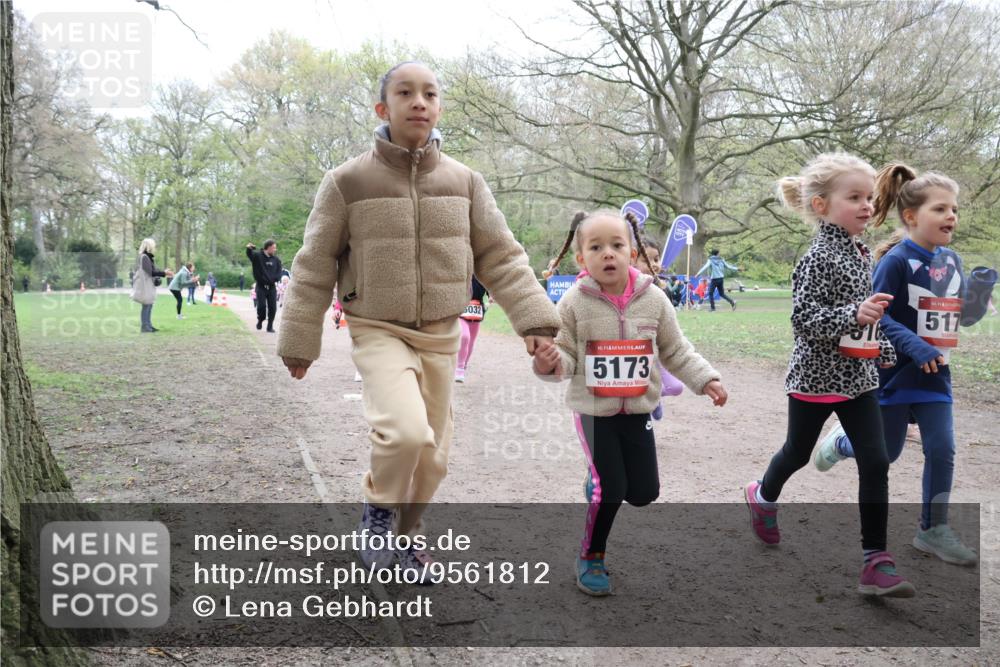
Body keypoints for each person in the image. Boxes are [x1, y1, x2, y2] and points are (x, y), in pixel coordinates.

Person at [276, 61, 560, 582]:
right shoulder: (346, 182)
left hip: (441, 334)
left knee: (434, 460)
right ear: (383, 109)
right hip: (378, 328)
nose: (419, 102)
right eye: (405, 93)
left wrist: (535, 319)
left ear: (439, 107)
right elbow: (314, 263)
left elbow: (501, 255)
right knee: (405, 434)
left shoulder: (465, 182)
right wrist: (299, 340)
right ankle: (377, 518)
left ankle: (406, 538)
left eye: (430, 93)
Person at [743, 153, 914, 598]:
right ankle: (762, 496)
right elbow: (804, 319)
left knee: (876, 461)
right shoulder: (818, 256)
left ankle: (875, 560)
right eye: (853, 197)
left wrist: (885, 346)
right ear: (821, 206)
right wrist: (853, 313)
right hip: (815, 380)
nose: (865, 205)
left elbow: (868, 318)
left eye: (869, 197)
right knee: (797, 452)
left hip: (858, 379)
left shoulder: (861, 253)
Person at [533, 209, 727, 596]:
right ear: (581, 259)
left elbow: (675, 349)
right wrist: (550, 362)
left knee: (643, 492)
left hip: (637, 410)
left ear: (633, 253)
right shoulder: (572, 303)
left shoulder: (653, 299)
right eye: (596, 247)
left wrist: (706, 379)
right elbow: (565, 357)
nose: (608, 254)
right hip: (593, 412)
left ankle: (598, 479)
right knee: (613, 488)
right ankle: (591, 556)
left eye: (617, 245)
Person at [813, 163, 997, 566]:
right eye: (941, 208)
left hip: (935, 378)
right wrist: (915, 346)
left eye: (954, 209)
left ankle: (933, 529)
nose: (952, 216)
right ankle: (842, 443)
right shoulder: (896, 261)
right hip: (893, 374)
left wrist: (980, 291)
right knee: (889, 453)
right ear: (912, 216)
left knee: (942, 448)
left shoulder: (952, 262)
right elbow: (879, 315)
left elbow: (961, 317)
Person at [632, 239, 683, 420]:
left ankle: (654, 398)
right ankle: (649, 402)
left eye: (656, 259)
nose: (654, 264)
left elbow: (669, 326)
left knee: (676, 387)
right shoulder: (622, 289)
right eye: (647, 260)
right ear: (631, 259)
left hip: (657, 352)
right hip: (634, 355)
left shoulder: (659, 290)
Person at [132, 238, 173, 332]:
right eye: (153, 245)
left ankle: (148, 325)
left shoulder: (147, 257)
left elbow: (153, 269)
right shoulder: (144, 257)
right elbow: (151, 272)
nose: (154, 247)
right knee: (147, 304)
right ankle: (145, 327)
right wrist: (164, 273)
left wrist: (164, 272)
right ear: (149, 246)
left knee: (149, 304)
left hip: (147, 284)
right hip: (145, 284)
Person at [455, 276, 487, 383]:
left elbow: (491, 288)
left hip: (476, 313)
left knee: (471, 342)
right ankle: (459, 369)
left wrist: (492, 296)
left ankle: (463, 365)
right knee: (465, 337)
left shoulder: (483, 274)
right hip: (461, 311)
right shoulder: (462, 272)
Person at [246, 240, 283, 332]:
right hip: (261, 286)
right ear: (268, 247)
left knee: (273, 307)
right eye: (274, 247)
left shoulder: (276, 260)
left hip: (272, 287)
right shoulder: (257, 256)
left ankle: (270, 326)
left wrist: (275, 279)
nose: (275, 249)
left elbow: (279, 272)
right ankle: (260, 320)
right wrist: (249, 248)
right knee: (261, 306)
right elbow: (250, 254)